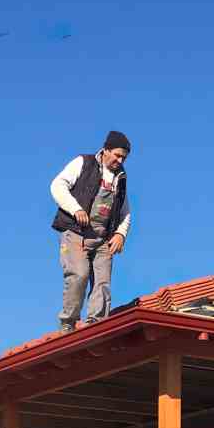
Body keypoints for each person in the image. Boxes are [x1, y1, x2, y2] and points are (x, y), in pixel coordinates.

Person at [50, 131, 132, 333]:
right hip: (76, 232)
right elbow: (57, 186)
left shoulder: (120, 178)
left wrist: (120, 234)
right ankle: (68, 324)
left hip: (103, 238)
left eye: (124, 158)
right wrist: (75, 209)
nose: (120, 161)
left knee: (102, 283)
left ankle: (96, 324)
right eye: (117, 155)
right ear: (105, 150)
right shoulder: (84, 163)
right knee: (79, 275)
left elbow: (125, 211)